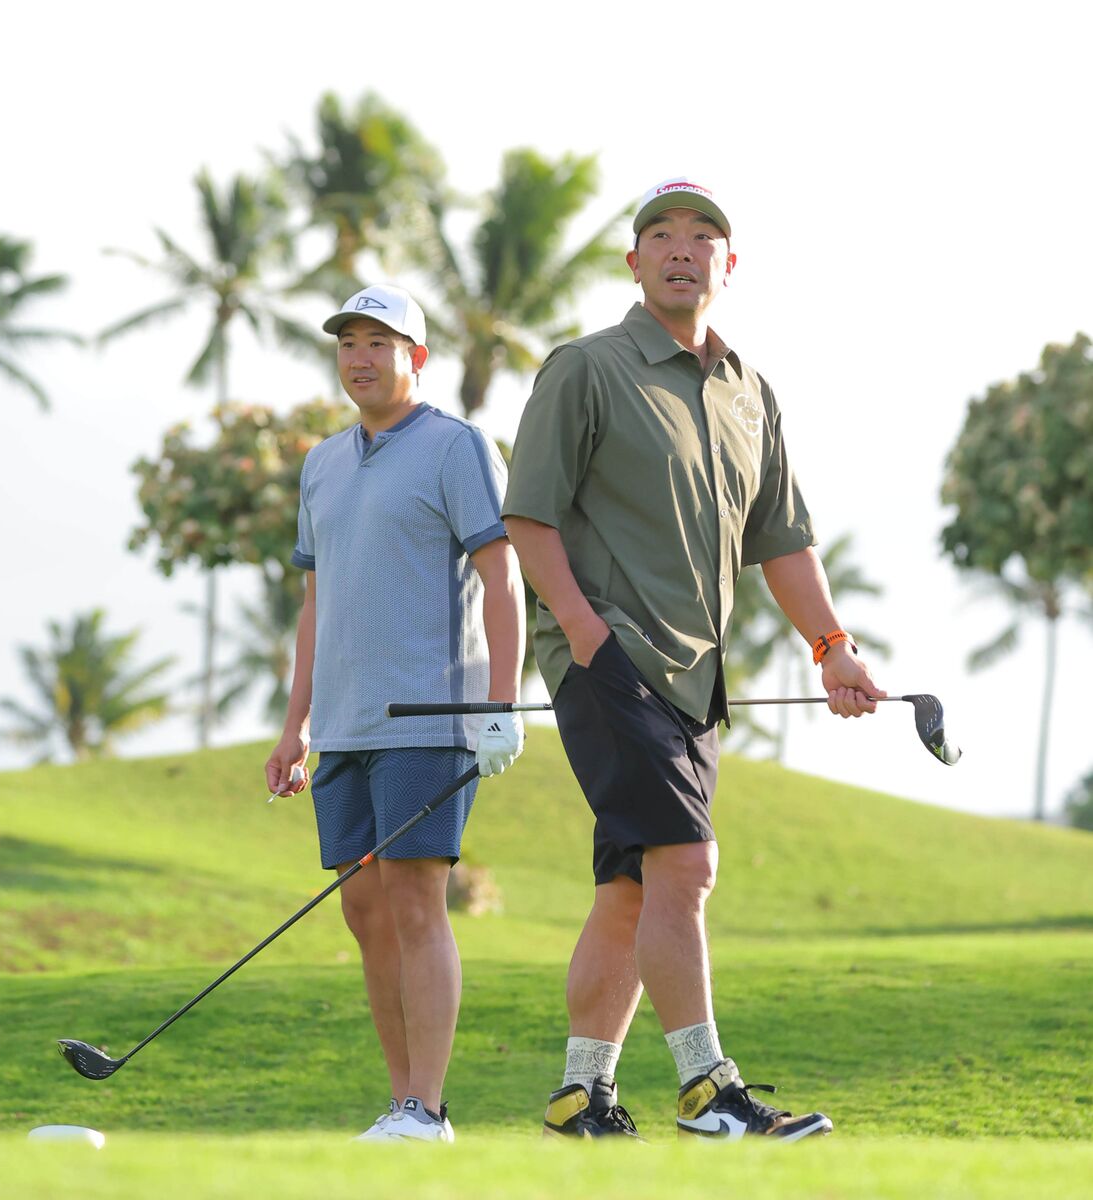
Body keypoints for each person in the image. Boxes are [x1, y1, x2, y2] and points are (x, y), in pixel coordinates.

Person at [502, 178, 885, 1142]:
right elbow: (527, 517)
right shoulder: (583, 369)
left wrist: (831, 645)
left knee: (631, 888)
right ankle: (707, 1088)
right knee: (685, 865)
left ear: (728, 264)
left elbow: (782, 540)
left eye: (702, 236)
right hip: (610, 660)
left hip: (694, 680)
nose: (682, 248)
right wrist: (587, 639)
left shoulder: (748, 391)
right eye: (660, 234)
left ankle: (579, 1095)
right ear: (632, 261)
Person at [266, 284, 525, 1144]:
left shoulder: (458, 447)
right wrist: (295, 725)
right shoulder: (322, 463)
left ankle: (428, 1105)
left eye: (380, 342)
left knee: (416, 902)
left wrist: (500, 708)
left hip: (428, 717)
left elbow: (501, 579)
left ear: (416, 357)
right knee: (364, 912)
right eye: (348, 344)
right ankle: (400, 1103)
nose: (360, 357)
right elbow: (316, 604)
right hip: (341, 728)